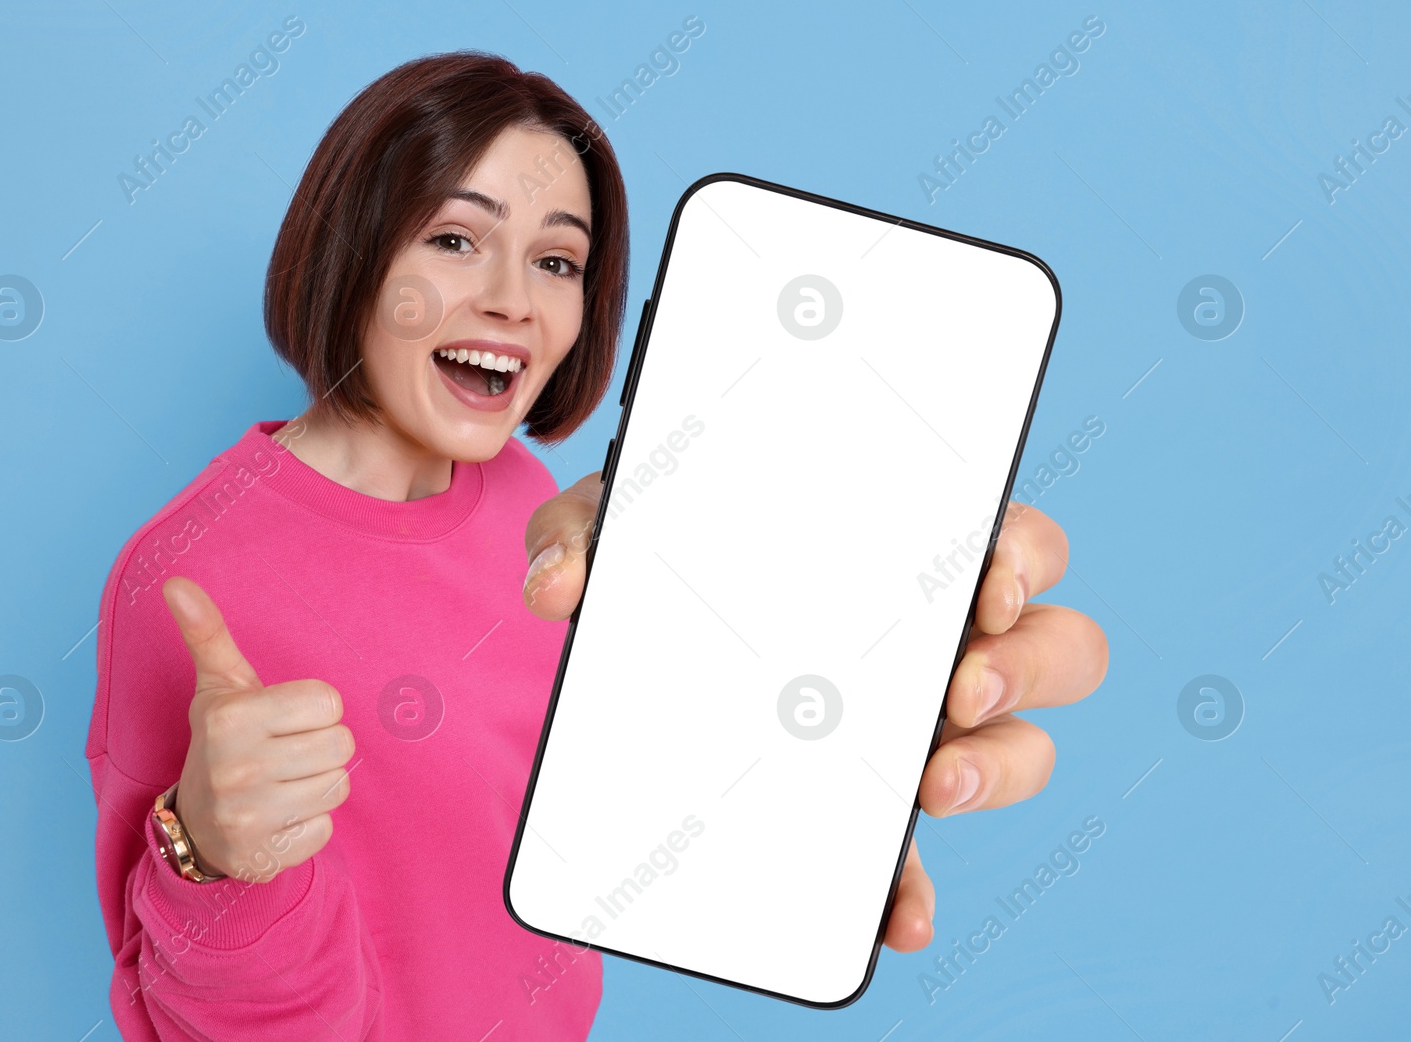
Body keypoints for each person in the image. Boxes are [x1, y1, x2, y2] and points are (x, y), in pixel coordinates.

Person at [84, 50, 1107, 1041]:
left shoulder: (537, 508)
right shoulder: (191, 577)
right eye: (453, 239)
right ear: (353, 247)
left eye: (557, 259)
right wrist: (208, 857)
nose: (513, 299)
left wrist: (820, 787)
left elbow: (594, 808)